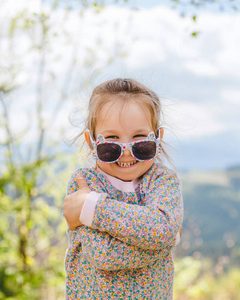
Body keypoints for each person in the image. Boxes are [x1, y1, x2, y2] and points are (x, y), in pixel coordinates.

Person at [62, 78, 183, 299]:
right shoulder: (84, 184)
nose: (127, 152)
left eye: (140, 142)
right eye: (111, 143)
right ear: (92, 143)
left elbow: (161, 229)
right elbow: (104, 254)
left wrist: (92, 207)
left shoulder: (163, 180)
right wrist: (166, 241)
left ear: (157, 138)